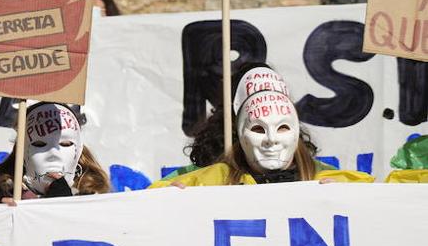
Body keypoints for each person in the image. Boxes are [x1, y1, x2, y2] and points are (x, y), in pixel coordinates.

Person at [153, 66, 373, 187]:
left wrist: (349, 201)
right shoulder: (209, 180)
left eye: (282, 127)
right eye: (258, 128)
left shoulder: (331, 179)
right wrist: (169, 201)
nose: (272, 140)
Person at [0, 102, 111, 203]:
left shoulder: (98, 203)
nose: (53, 154)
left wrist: (65, 206)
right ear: (22, 154)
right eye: (39, 144)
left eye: (65, 144)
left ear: (78, 151)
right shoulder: (5, 199)